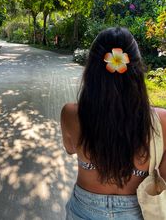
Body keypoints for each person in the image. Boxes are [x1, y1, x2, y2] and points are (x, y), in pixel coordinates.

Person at [61, 27, 166, 220]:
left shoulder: (71, 114)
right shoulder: (161, 121)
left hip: (83, 210)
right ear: (136, 69)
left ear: (91, 69)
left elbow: (70, 148)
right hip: (138, 211)